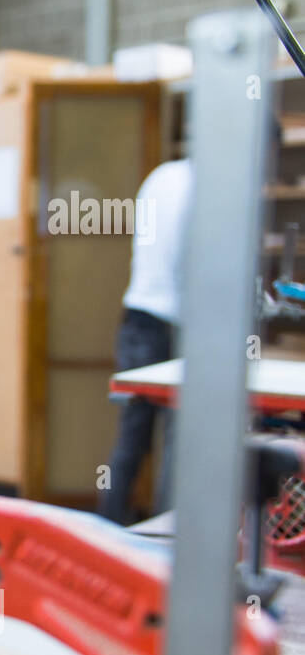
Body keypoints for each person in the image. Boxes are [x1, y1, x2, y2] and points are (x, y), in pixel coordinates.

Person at [98, 156, 193, 524]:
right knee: (177, 437)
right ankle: (167, 540)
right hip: (176, 324)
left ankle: (107, 529)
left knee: (132, 435)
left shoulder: (161, 176)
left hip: (138, 316)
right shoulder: (212, 191)